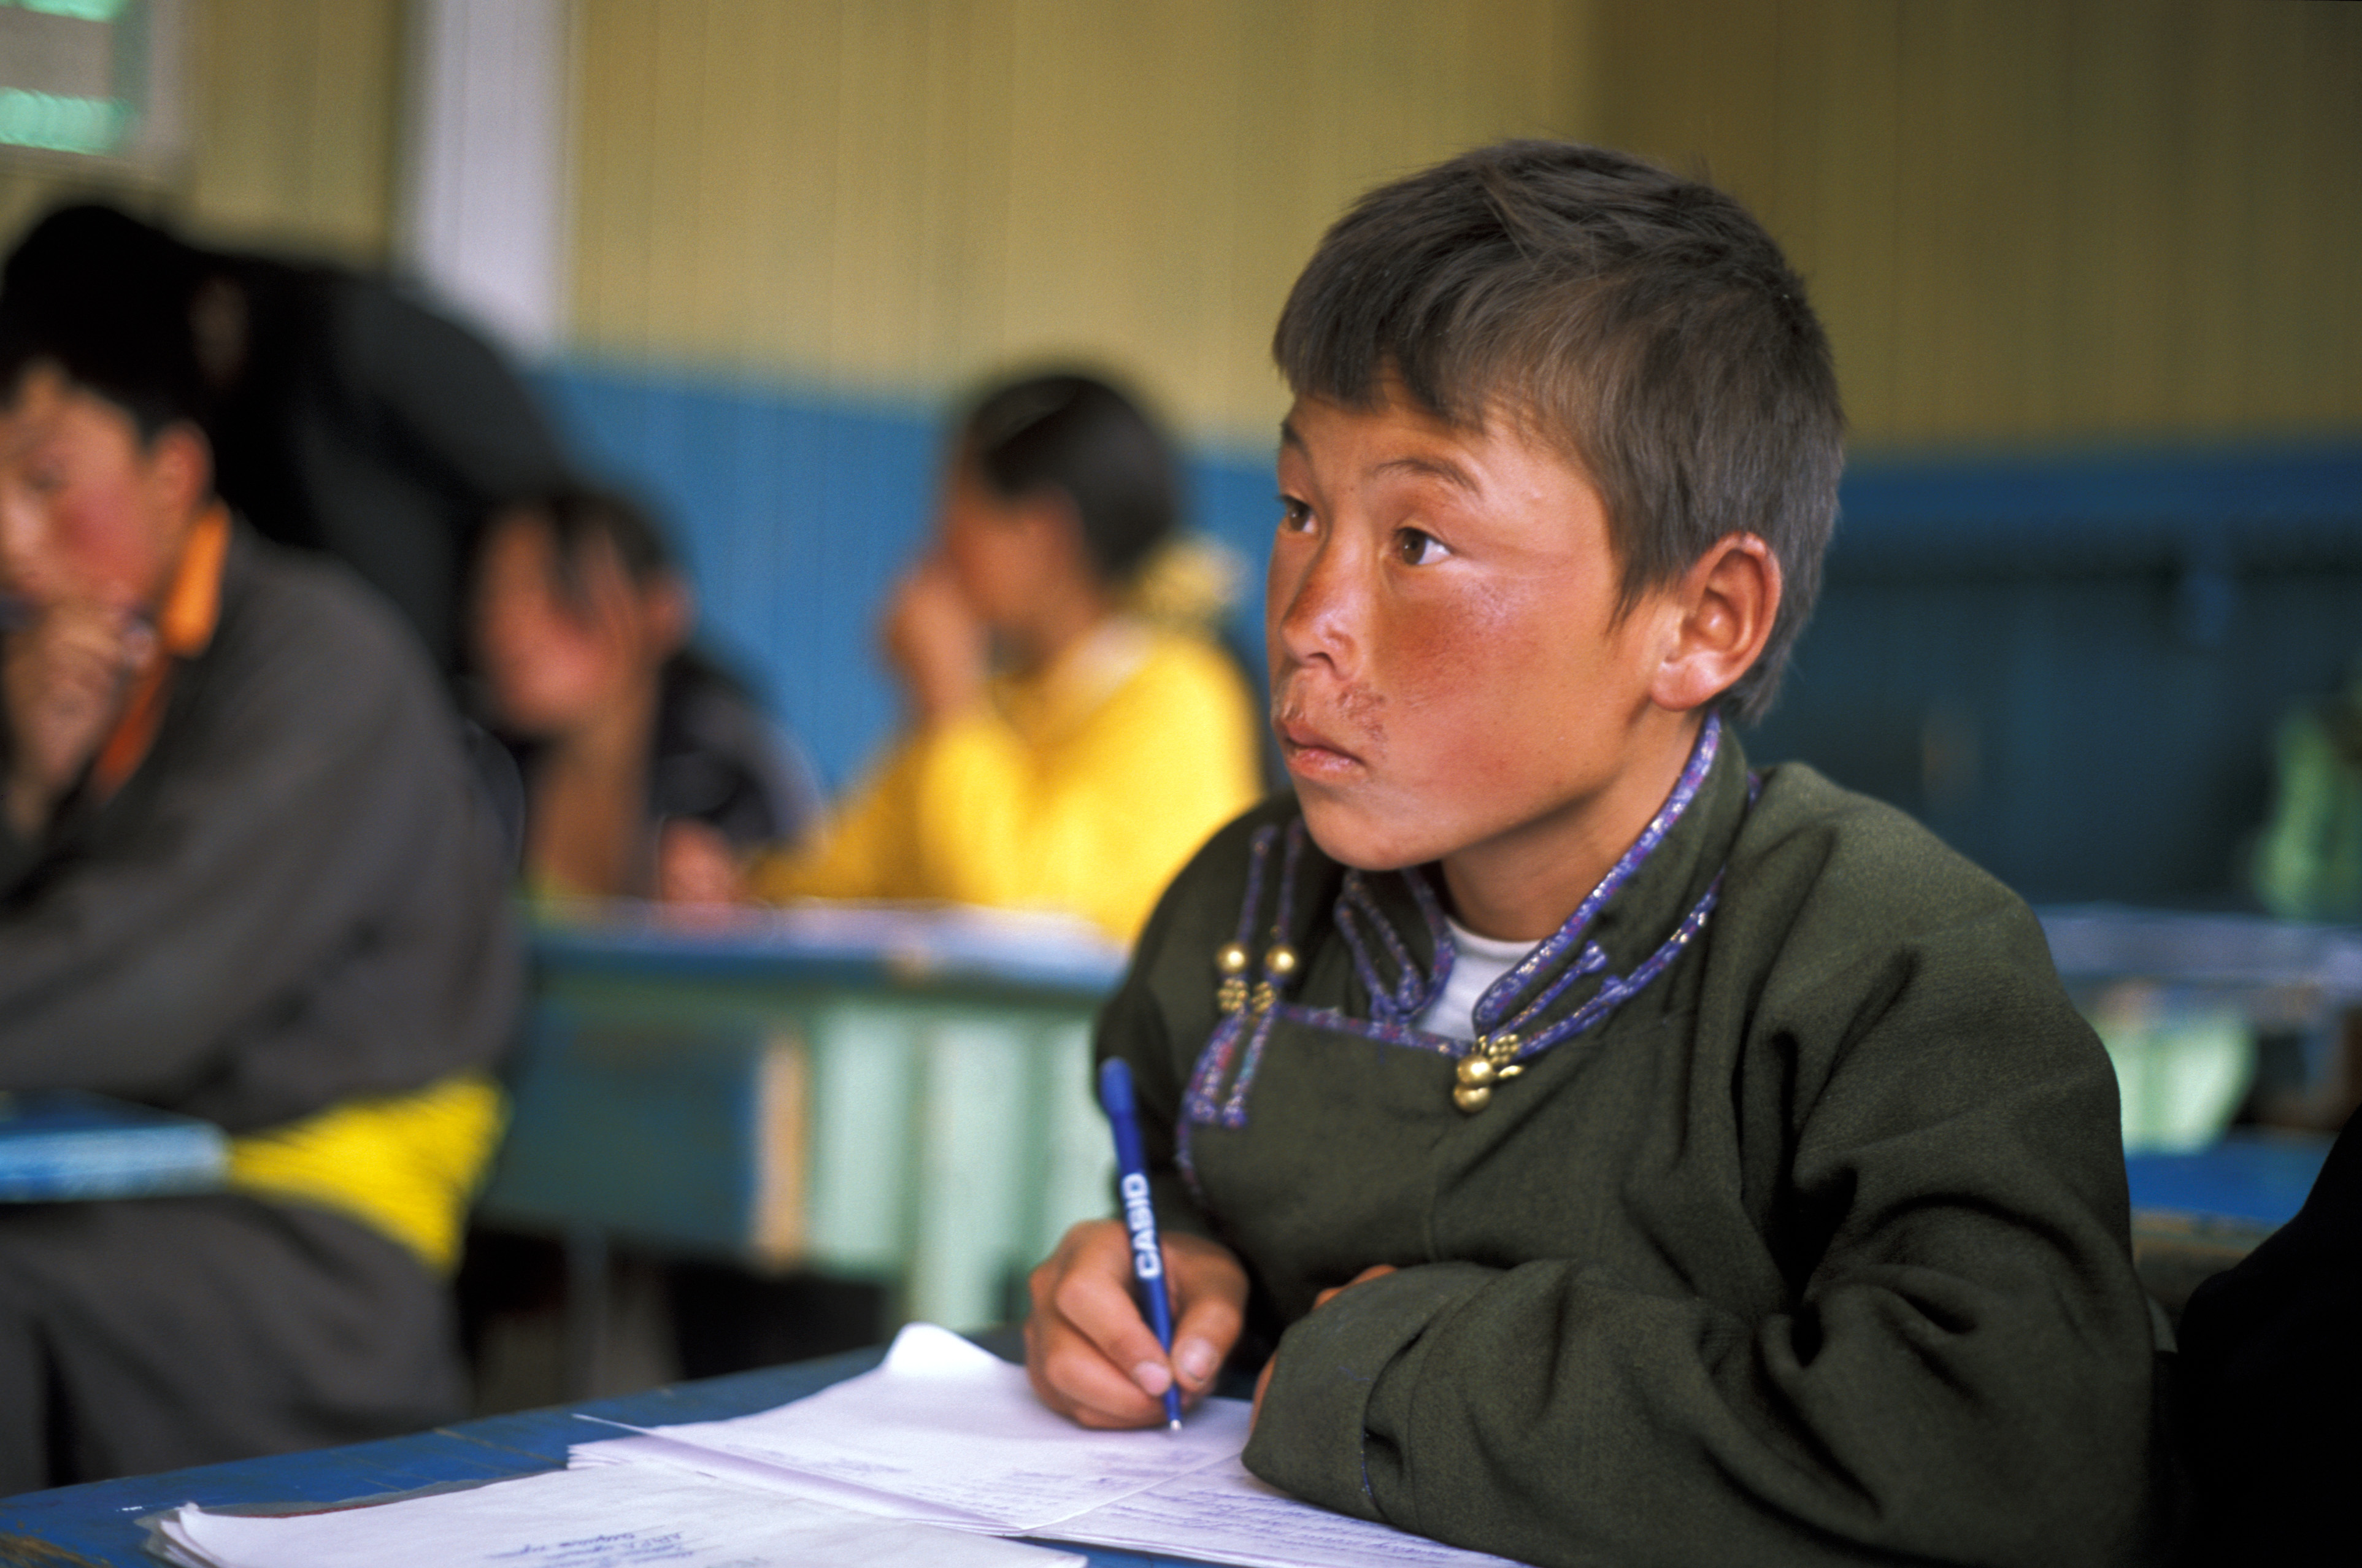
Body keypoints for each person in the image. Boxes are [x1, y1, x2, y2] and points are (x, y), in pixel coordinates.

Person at [1021, 142, 2161, 1566]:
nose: (1312, 612)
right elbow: (1186, 1190)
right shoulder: (1243, 906)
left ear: (1701, 623)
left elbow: (2022, 1452)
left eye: (1421, 541)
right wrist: (1160, 1280)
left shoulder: (1892, 964)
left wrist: (1403, 1372)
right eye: (1301, 508)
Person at [0, 210, 520, 1488]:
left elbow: (134, 989)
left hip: (312, 1265)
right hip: (125, 1195)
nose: (10, 537)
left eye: (46, 480)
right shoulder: (65, 686)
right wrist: (20, 784)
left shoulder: (316, 662)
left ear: (175, 477)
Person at [744, 371, 1263, 942]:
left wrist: (947, 699)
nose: (938, 542)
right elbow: (844, 880)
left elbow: (1016, 917)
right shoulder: (997, 703)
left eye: (959, 509)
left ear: (1043, 535)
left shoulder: (1179, 696)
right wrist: (747, 892)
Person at [470, 485, 821, 902]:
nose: (510, 627)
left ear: (662, 611)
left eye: (558, 589)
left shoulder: (734, 777)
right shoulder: (473, 764)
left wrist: (743, 914)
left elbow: (809, 927)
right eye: (495, 593)